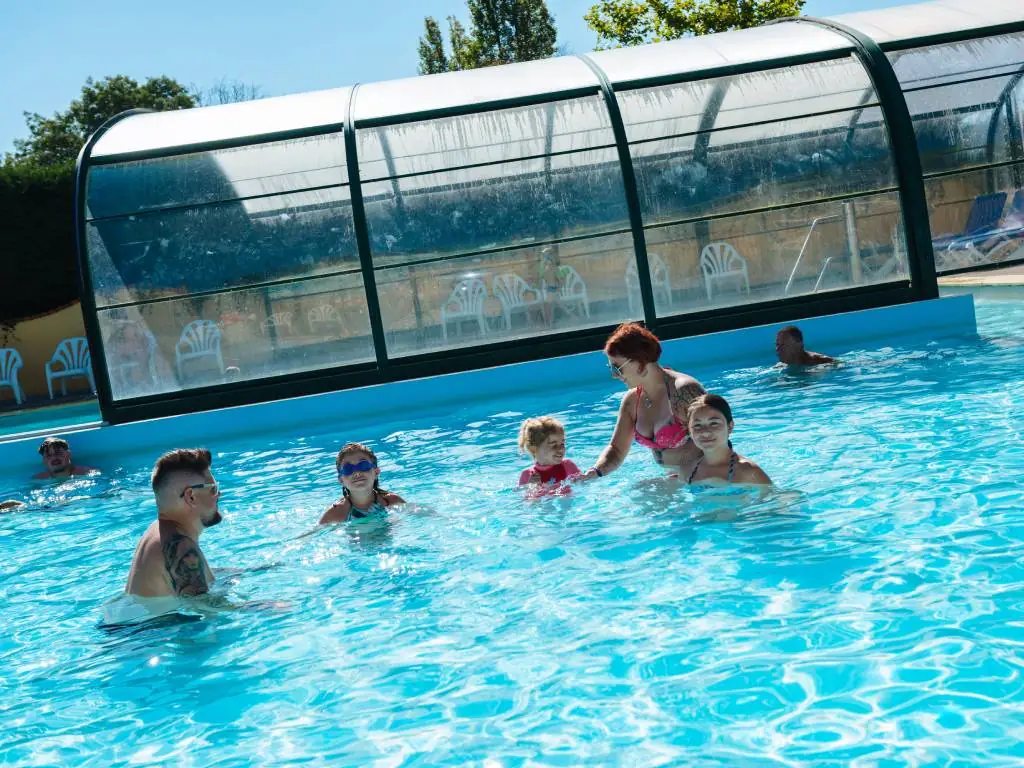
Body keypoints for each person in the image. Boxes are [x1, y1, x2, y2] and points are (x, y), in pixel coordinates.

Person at [579, 323, 706, 480]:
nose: (614, 375)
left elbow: (717, 439)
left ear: (639, 362)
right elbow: (616, 450)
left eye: (617, 368)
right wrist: (594, 472)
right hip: (672, 479)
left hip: (700, 477)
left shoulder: (683, 392)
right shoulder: (632, 401)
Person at [123, 448, 223, 598]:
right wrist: (265, 608)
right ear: (191, 497)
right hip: (161, 622)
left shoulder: (158, 531)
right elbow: (207, 607)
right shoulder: (181, 545)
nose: (218, 494)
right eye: (213, 489)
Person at [679, 394, 772, 486]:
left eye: (714, 423)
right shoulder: (687, 471)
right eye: (697, 425)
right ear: (689, 431)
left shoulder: (749, 472)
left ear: (730, 426)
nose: (705, 432)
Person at [320, 443, 405, 524]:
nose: (357, 473)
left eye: (363, 465)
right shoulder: (336, 513)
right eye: (348, 469)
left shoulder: (391, 501)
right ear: (341, 480)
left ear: (376, 472)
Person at [517, 416, 581, 490]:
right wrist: (532, 488)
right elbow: (525, 500)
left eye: (562, 444)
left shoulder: (568, 466)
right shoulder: (527, 475)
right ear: (534, 448)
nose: (561, 449)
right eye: (554, 445)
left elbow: (584, 484)